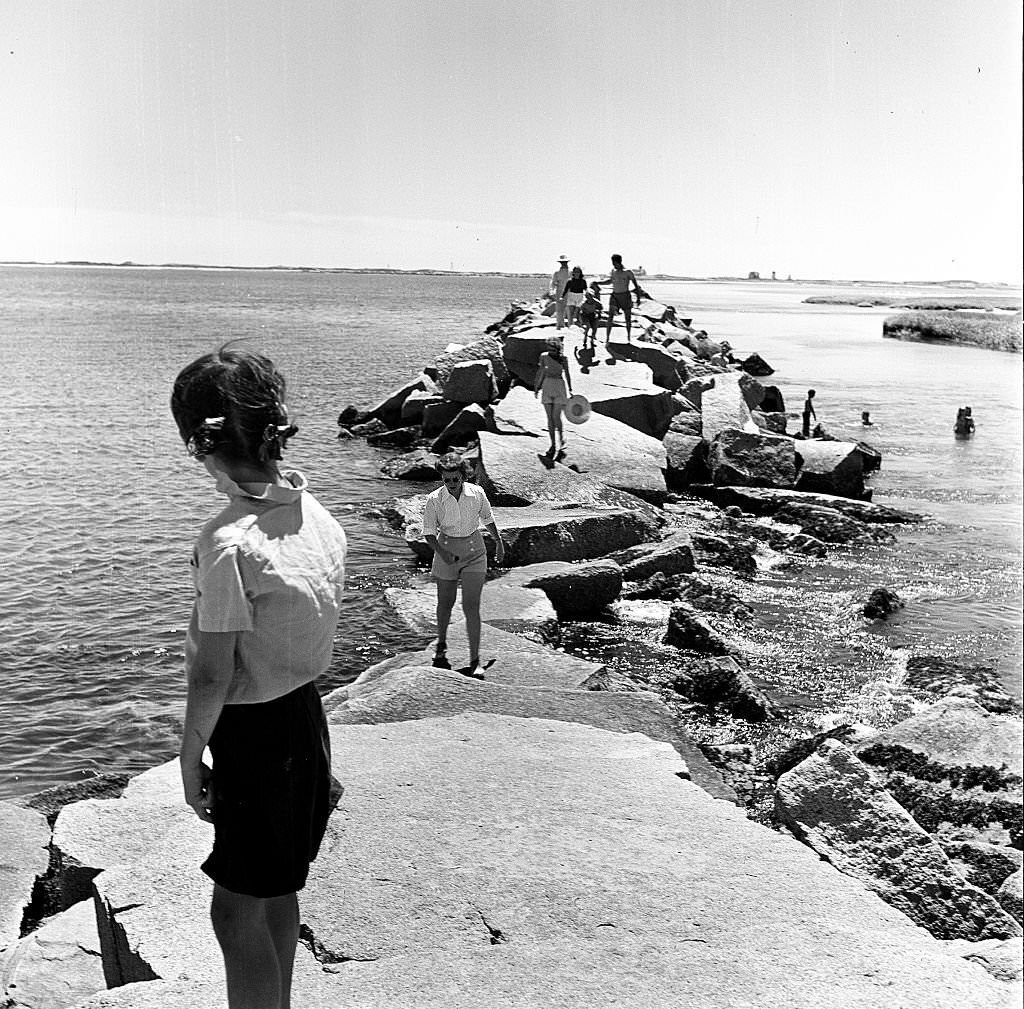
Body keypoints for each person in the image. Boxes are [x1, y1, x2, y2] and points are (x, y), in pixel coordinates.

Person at [170, 346, 348, 1009]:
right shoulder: (313, 515)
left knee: (235, 913)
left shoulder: (227, 542)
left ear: (199, 442)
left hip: (255, 740)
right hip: (306, 719)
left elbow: (212, 673)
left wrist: (190, 760)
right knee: (277, 889)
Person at [422, 452, 505, 676]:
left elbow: (487, 518)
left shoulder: (476, 493)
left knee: (471, 607)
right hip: (445, 550)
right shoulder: (434, 500)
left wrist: (498, 542)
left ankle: (475, 659)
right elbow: (429, 533)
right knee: (446, 603)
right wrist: (441, 553)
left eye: (455, 479)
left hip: (474, 551)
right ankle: (441, 644)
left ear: (463, 476)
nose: (451, 484)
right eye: (446, 480)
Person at [534, 334, 574, 458]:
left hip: (559, 387)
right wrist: (536, 387)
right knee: (549, 419)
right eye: (549, 348)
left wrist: (571, 389)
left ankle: (561, 438)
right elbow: (541, 372)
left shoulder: (563, 359)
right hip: (547, 387)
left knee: (556, 417)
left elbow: (567, 374)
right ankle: (552, 444)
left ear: (558, 349)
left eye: (553, 349)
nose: (550, 351)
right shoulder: (544, 357)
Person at [593, 253, 642, 344]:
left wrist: (638, 298)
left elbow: (636, 285)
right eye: (613, 263)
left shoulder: (628, 272)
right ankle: (607, 338)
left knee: (627, 318)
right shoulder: (613, 271)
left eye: (614, 263)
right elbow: (610, 281)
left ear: (618, 262)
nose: (613, 265)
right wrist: (598, 283)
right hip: (615, 296)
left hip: (625, 296)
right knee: (610, 316)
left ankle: (628, 338)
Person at [577, 283, 603, 350]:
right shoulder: (584, 304)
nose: (589, 298)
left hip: (592, 315)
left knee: (595, 328)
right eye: (588, 296)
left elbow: (601, 307)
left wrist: (599, 313)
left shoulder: (596, 302)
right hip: (585, 315)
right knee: (588, 326)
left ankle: (592, 340)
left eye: (590, 296)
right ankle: (585, 338)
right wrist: (580, 320)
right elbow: (580, 312)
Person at [549, 255, 571, 329]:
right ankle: (560, 325)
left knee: (570, 310)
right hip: (560, 292)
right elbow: (553, 283)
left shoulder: (571, 272)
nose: (564, 264)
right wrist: (552, 292)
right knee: (560, 310)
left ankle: (570, 325)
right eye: (562, 262)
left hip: (570, 292)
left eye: (565, 262)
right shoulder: (557, 273)